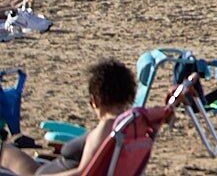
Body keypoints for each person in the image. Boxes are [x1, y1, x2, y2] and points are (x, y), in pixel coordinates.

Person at [0, 58, 172, 176]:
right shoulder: (133, 126)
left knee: (4, 151)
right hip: (49, 168)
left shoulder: (108, 129)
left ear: (95, 100)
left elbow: (83, 173)